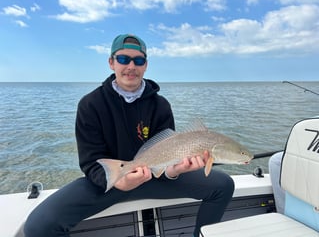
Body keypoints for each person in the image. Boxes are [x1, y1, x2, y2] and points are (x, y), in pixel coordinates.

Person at [24, 34, 235, 237]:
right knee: (39, 226)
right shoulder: (90, 104)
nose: (131, 66)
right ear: (111, 62)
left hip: (154, 177)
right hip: (109, 182)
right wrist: (119, 182)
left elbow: (168, 153)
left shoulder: (160, 105)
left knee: (223, 185)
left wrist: (176, 170)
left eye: (138, 60)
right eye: (123, 59)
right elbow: (90, 160)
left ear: (146, 64)